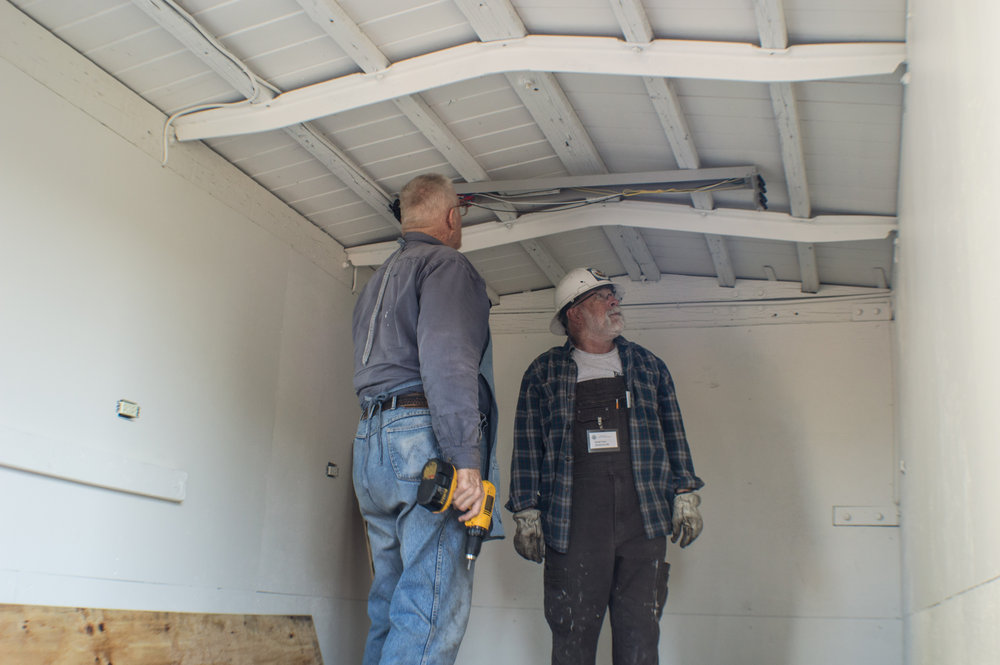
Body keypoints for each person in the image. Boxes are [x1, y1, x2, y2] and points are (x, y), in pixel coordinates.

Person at [506, 267, 704, 665]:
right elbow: (527, 446)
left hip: (643, 518)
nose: (615, 302)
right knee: (572, 635)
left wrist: (686, 494)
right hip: (572, 522)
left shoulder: (649, 367)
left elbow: (673, 433)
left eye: (613, 295)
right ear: (574, 314)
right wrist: (527, 513)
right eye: (603, 296)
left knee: (640, 635)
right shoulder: (544, 373)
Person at [352, 173, 502, 665]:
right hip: (421, 444)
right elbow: (449, 362)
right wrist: (467, 463)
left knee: (390, 603)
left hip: (371, 445)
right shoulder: (446, 265)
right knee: (430, 608)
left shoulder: (378, 279)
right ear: (453, 217)